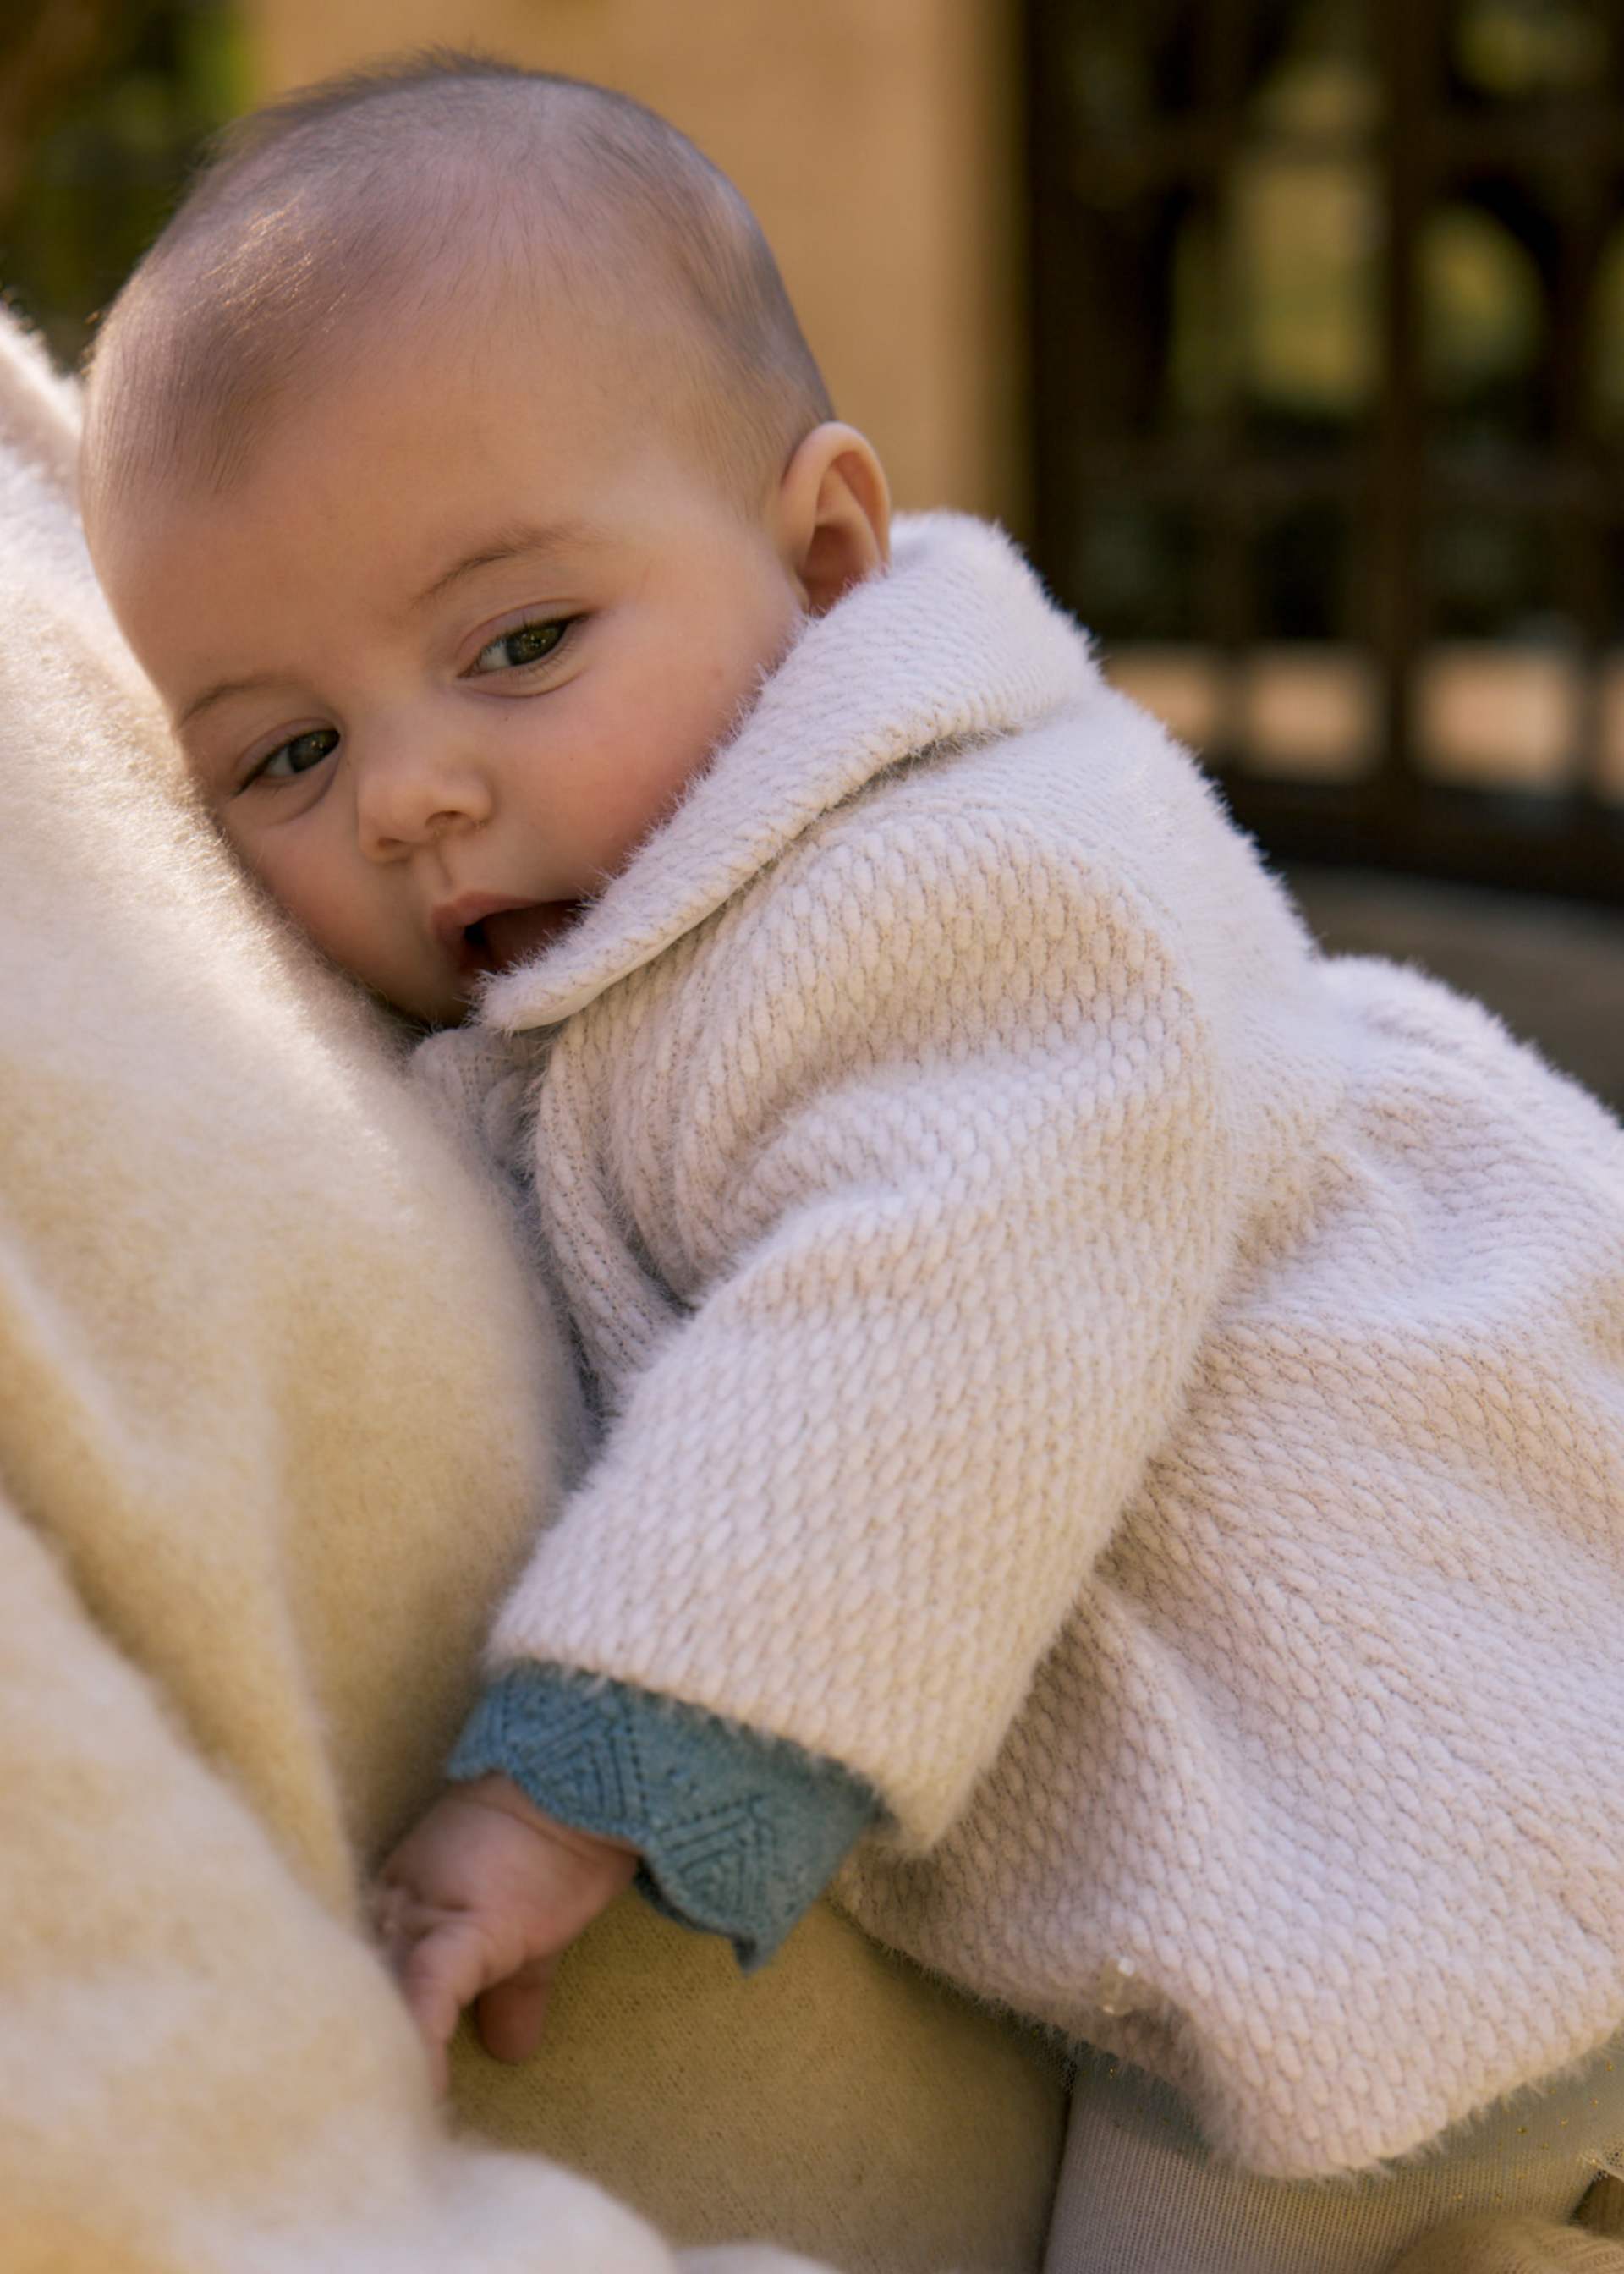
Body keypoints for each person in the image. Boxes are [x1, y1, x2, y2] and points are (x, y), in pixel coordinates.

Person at [80, 50, 1624, 2274]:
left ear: (819, 556)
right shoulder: (633, 965)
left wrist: (586, 1767)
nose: (411, 794)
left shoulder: (961, 874)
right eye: (289, 752)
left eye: (519, 644)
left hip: (1445, 1798)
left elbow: (926, 1315)